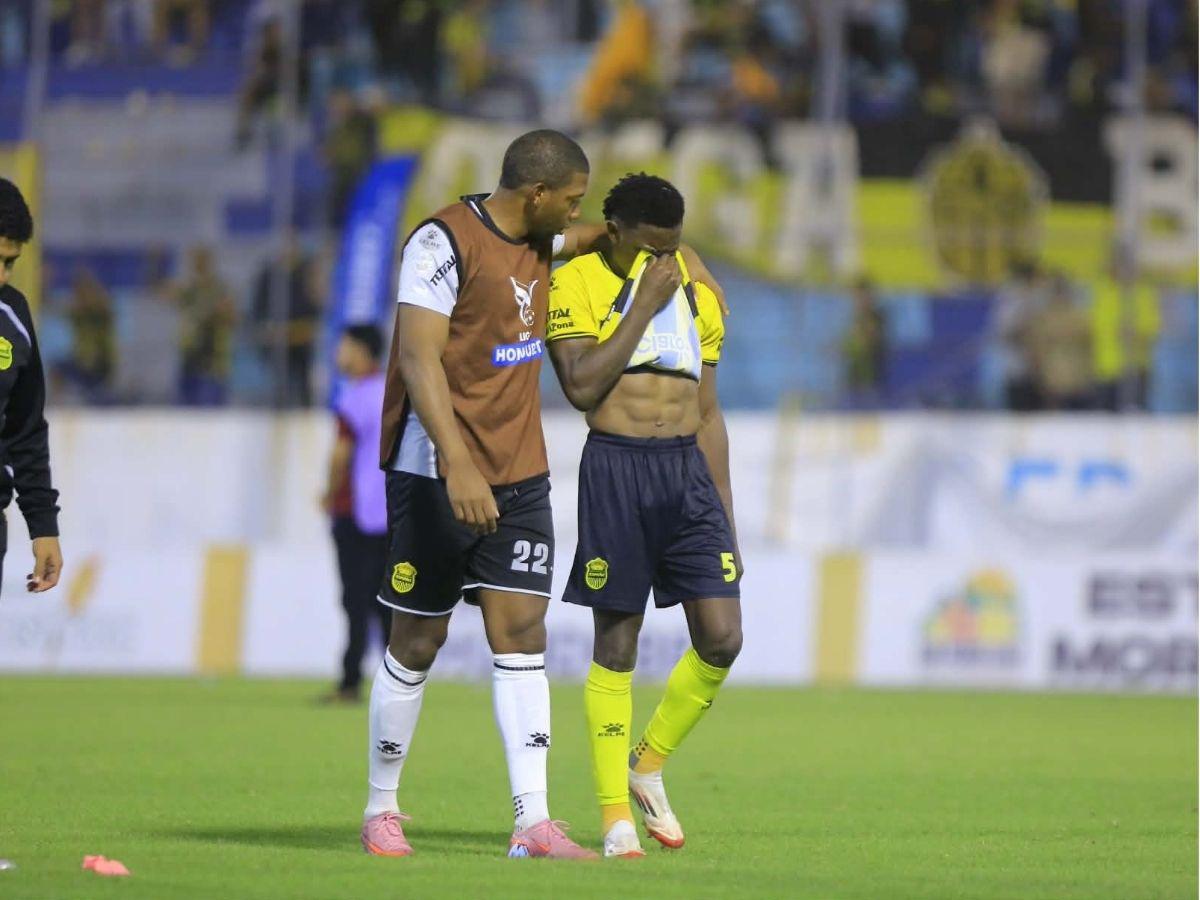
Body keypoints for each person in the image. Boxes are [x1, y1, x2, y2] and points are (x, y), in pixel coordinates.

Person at [363, 130, 725, 860]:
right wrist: (458, 465)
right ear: (536, 194)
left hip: (519, 469)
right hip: (436, 469)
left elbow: (611, 237)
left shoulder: (543, 239)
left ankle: (532, 822)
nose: (577, 214)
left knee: (523, 633)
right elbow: (418, 360)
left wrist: (679, 256)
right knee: (419, 639)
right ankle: (382, 806)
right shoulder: (440, 243)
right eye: (571, 200)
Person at [545, 173, 740, 858]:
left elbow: (707, 414)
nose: (665, 260)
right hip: (617, 467)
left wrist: (725, 513)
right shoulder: (575, 283)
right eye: (651, 247)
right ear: (615, 231)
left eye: (674, 247)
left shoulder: (696, 291)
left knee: (722, 638)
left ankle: (647, 764)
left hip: (687, 474)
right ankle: (613, 819)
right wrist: (644, 303)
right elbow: (580, 385)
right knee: (617, 644)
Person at [319, 324, 389, 703]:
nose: (339, 352)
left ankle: (350, 681)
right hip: (390, 511)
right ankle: (399, 681)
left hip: (356, 510)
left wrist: (329, 494)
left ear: (361, 350)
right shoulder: (392, 390)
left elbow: (340, 456)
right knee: (386, 603)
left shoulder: (356, 396)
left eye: (344, 346)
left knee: (355, 601)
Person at [0, 178, 62, 595]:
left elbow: (24, 429)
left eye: (10, 263)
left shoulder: (13, 316)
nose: (2, 275)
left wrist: (43, 526)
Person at [173, 244, 236, 406]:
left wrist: (218, 314)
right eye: (195, 261)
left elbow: (232, 319)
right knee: (186, 409)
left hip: (213, 360)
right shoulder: (189, 289)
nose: (198, 265)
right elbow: (165, 294)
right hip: (189, 357)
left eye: (202, 261)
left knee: (210, 408)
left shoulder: (220, 289)